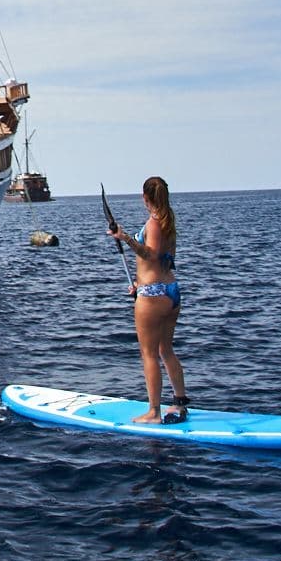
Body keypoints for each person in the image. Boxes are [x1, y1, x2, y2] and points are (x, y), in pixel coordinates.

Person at [109, 175, 188, 424]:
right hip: (170, 291)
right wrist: (139, 284)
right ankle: (179, 403)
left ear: (145, 197)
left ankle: (154, 412)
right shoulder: (168, 222)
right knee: (166, 349)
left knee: (149, 354)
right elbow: (165, 259)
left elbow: (151, 255)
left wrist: (125, 238)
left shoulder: (154, 224)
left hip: (153, 295)